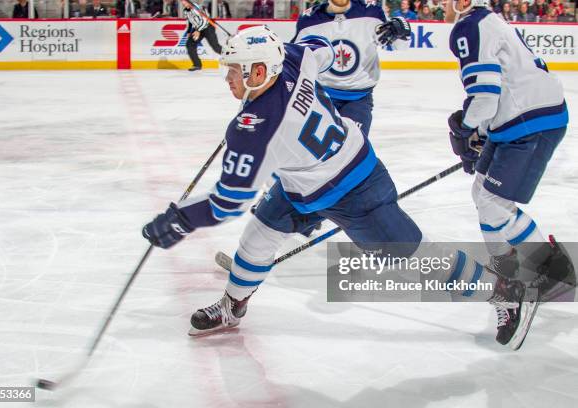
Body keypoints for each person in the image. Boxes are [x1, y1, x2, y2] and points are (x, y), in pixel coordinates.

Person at [142, 26, 544, 349]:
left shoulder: (256, 129)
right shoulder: (295, 59)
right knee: (259, 235)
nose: (227, 79)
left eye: (234, 71)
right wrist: (276, 45)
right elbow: (324, 48)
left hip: (357, 187)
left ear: (259, 72)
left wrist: (179, 220)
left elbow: (226, 202)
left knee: (416, 258)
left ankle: (503, 291)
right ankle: (233, 304)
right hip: (305, 182)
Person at [445, 0, 574, 318]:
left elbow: (486, 98)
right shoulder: (486, 22)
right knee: (481, 193)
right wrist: (483, 133)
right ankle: (506, 262)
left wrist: (466, 129)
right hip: (518, 118)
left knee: (493, 205)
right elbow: (498, 89)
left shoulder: (468, 27)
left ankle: (551, 272)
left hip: (530, 121)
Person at [292, 0, 411, 137]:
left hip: (359, 99)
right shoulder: (309, 20)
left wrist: (403, 30)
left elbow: (400, 46)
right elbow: (298, 59)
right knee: (317, 153)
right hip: (320, 98)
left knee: (352, 149)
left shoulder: (372, 13)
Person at [181, 0, 222, 71]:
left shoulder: (197, 8)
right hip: (198, 29)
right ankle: (197, 65)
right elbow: (190, 21)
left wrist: (198, 30)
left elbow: (205, 20)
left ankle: (232, 58)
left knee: (216, 47)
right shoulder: (185, 10)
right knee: (190, 44)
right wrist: (189, 31)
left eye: (184, 2)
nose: (183, 3)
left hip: (207, 28)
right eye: (182, 2)